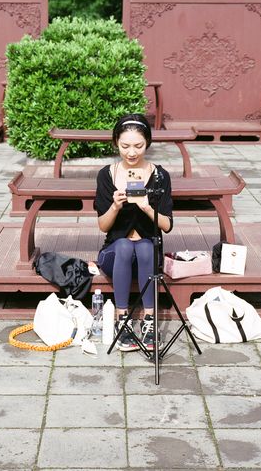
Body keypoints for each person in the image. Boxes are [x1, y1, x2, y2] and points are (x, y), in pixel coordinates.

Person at [94, 113, 173, 351]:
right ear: (115, 143)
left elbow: (167, 226)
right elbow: (103, 226)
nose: (131, 152)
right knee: (126, 246)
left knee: (147, 246)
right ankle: (122, 319)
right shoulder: (106, 175)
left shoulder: (159, 175)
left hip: (148, 257)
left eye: (138, 146)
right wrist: (115, 206)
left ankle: (149, 320)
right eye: (125, 146)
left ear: (147, 143)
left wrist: (148, 207)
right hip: (114, 255)